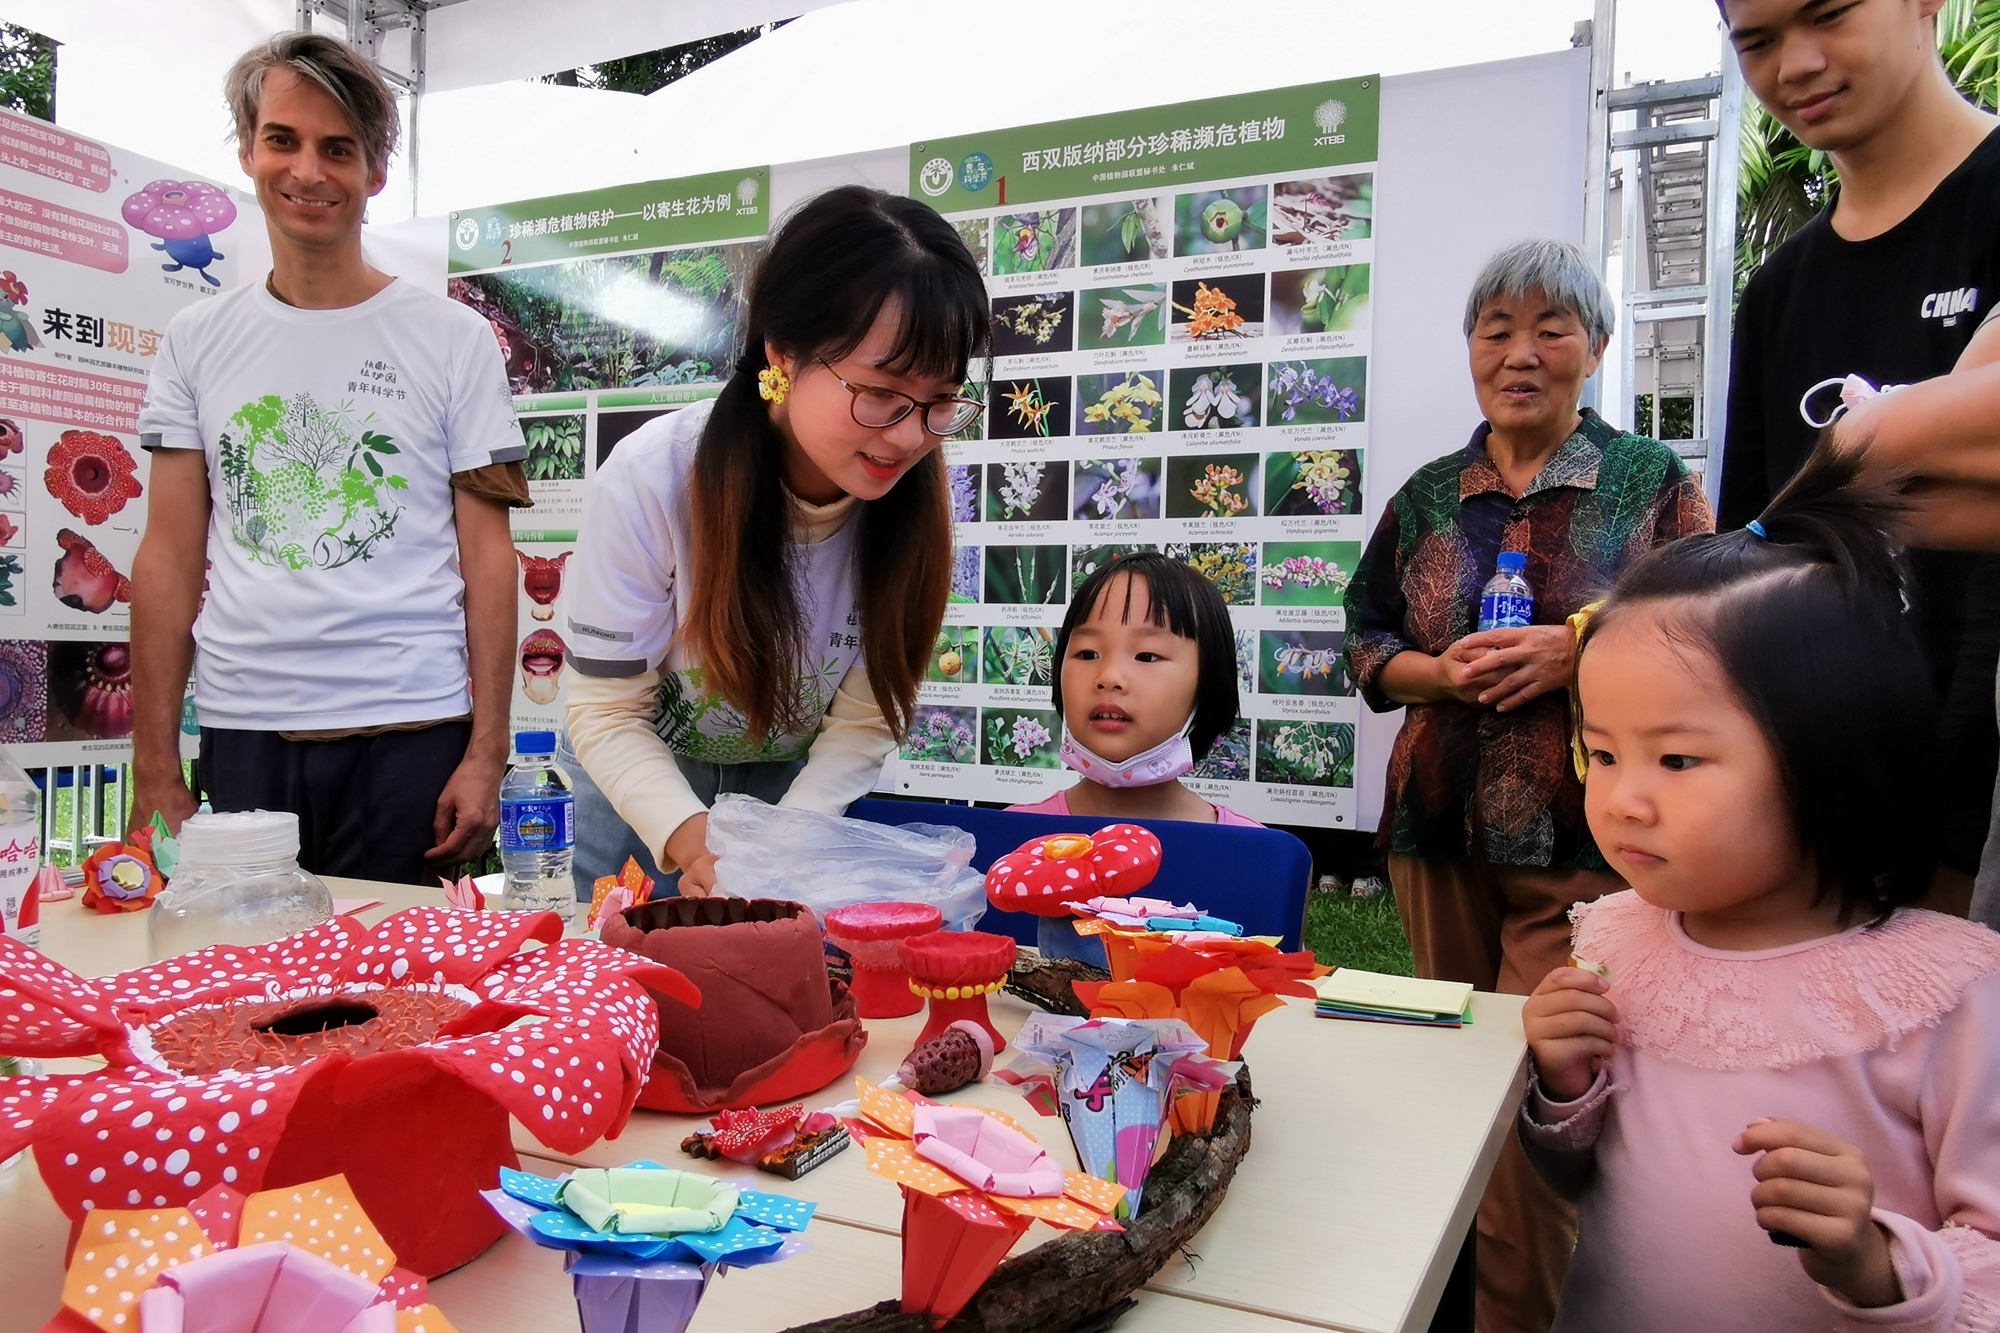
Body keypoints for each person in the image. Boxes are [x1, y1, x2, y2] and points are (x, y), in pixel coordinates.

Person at [1519, 448, 2000, 1332]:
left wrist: (1875, 1259)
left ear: (1836, 753)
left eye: (1677, 758)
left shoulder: (1949, 996)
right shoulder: (1618, 939)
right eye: (1604, 752)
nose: (1622, 799)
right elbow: (1576, 1182)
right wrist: (1563, 1084)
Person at [1343, 238, 1713, 1333]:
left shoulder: (1648, 481)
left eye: (1550, 329)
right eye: (1495, 330)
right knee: (1450, 1078)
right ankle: (1433, 1295)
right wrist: (1433, 673)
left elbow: (1707, 617)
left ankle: (1518, 1315)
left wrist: (1578, 644)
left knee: (1539, 1084)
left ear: (1594, 348)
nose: (1520, 353)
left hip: (1581, 839)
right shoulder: (1426, 494)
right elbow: (1364, 637)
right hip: (1434, 828)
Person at [128, 33, 525, 883]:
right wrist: (154, 764)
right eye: (283, 140)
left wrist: (487, 750)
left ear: (375, 171)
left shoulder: (455, 338)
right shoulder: (194, 340)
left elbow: (490, 557)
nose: (307, 171)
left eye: (338, 149)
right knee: (248, 964)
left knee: (404, 965)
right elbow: (167, 555)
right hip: (245, 730)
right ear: (248, 150)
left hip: (414, 733)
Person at [561, 186, 988, 897]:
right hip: (635, 782)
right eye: (881, 393)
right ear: (782, 356)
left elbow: (863, 721)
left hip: (790, 792)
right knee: (617, 956)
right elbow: (608, 711)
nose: (910, 437)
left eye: (939, 401)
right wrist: (695, 844)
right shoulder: (653, 477)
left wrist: (780, 854)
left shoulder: (914, 509)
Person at [1717, 0, 2000, 915]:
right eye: (1758, 41)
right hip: (1835, 805)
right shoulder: (1778, 291)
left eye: (1830, 14)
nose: (1797, 64)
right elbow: (1757, 553)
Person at [1008, 551, 1258, 826]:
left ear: (1210, 679)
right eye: (1088, 654)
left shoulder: (1250, 847)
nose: (1109, 677)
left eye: (1146, 656)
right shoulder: (1008, 835)